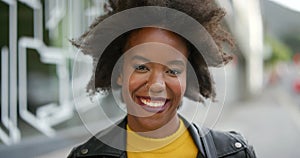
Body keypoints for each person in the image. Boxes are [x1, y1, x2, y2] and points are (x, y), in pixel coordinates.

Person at [68, 0, 256, 157]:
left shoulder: (233, 153)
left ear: (187, 78)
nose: (156, 85)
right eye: (141, 67)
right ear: (119, 74)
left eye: (173, 70)